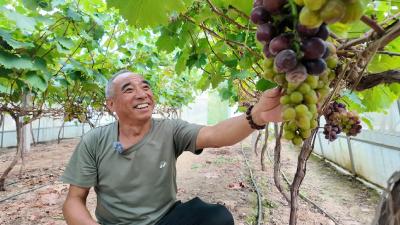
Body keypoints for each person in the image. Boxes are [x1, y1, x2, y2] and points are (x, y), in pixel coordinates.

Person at [62, 69, 282, 225]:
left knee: (217, 217)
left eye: (145, 87)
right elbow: (74, 200)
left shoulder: (170, 129)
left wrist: (256, 116)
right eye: (129, 90)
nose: (142, 94)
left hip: (165, 219)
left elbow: (214, 134)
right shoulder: (94, 141)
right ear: (111, 105)